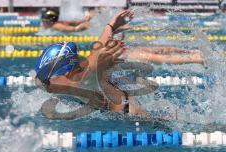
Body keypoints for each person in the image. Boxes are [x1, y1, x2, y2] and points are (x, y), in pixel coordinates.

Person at [35, 10, 205, 120]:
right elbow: (98, 47)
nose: (47, 82)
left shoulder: (86, 74)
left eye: (50, 77)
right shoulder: (47, 82)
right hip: (113, 95)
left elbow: (97, 56)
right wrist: (110, 26)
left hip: (128, 112)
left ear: (67, 73)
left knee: (170, 122)